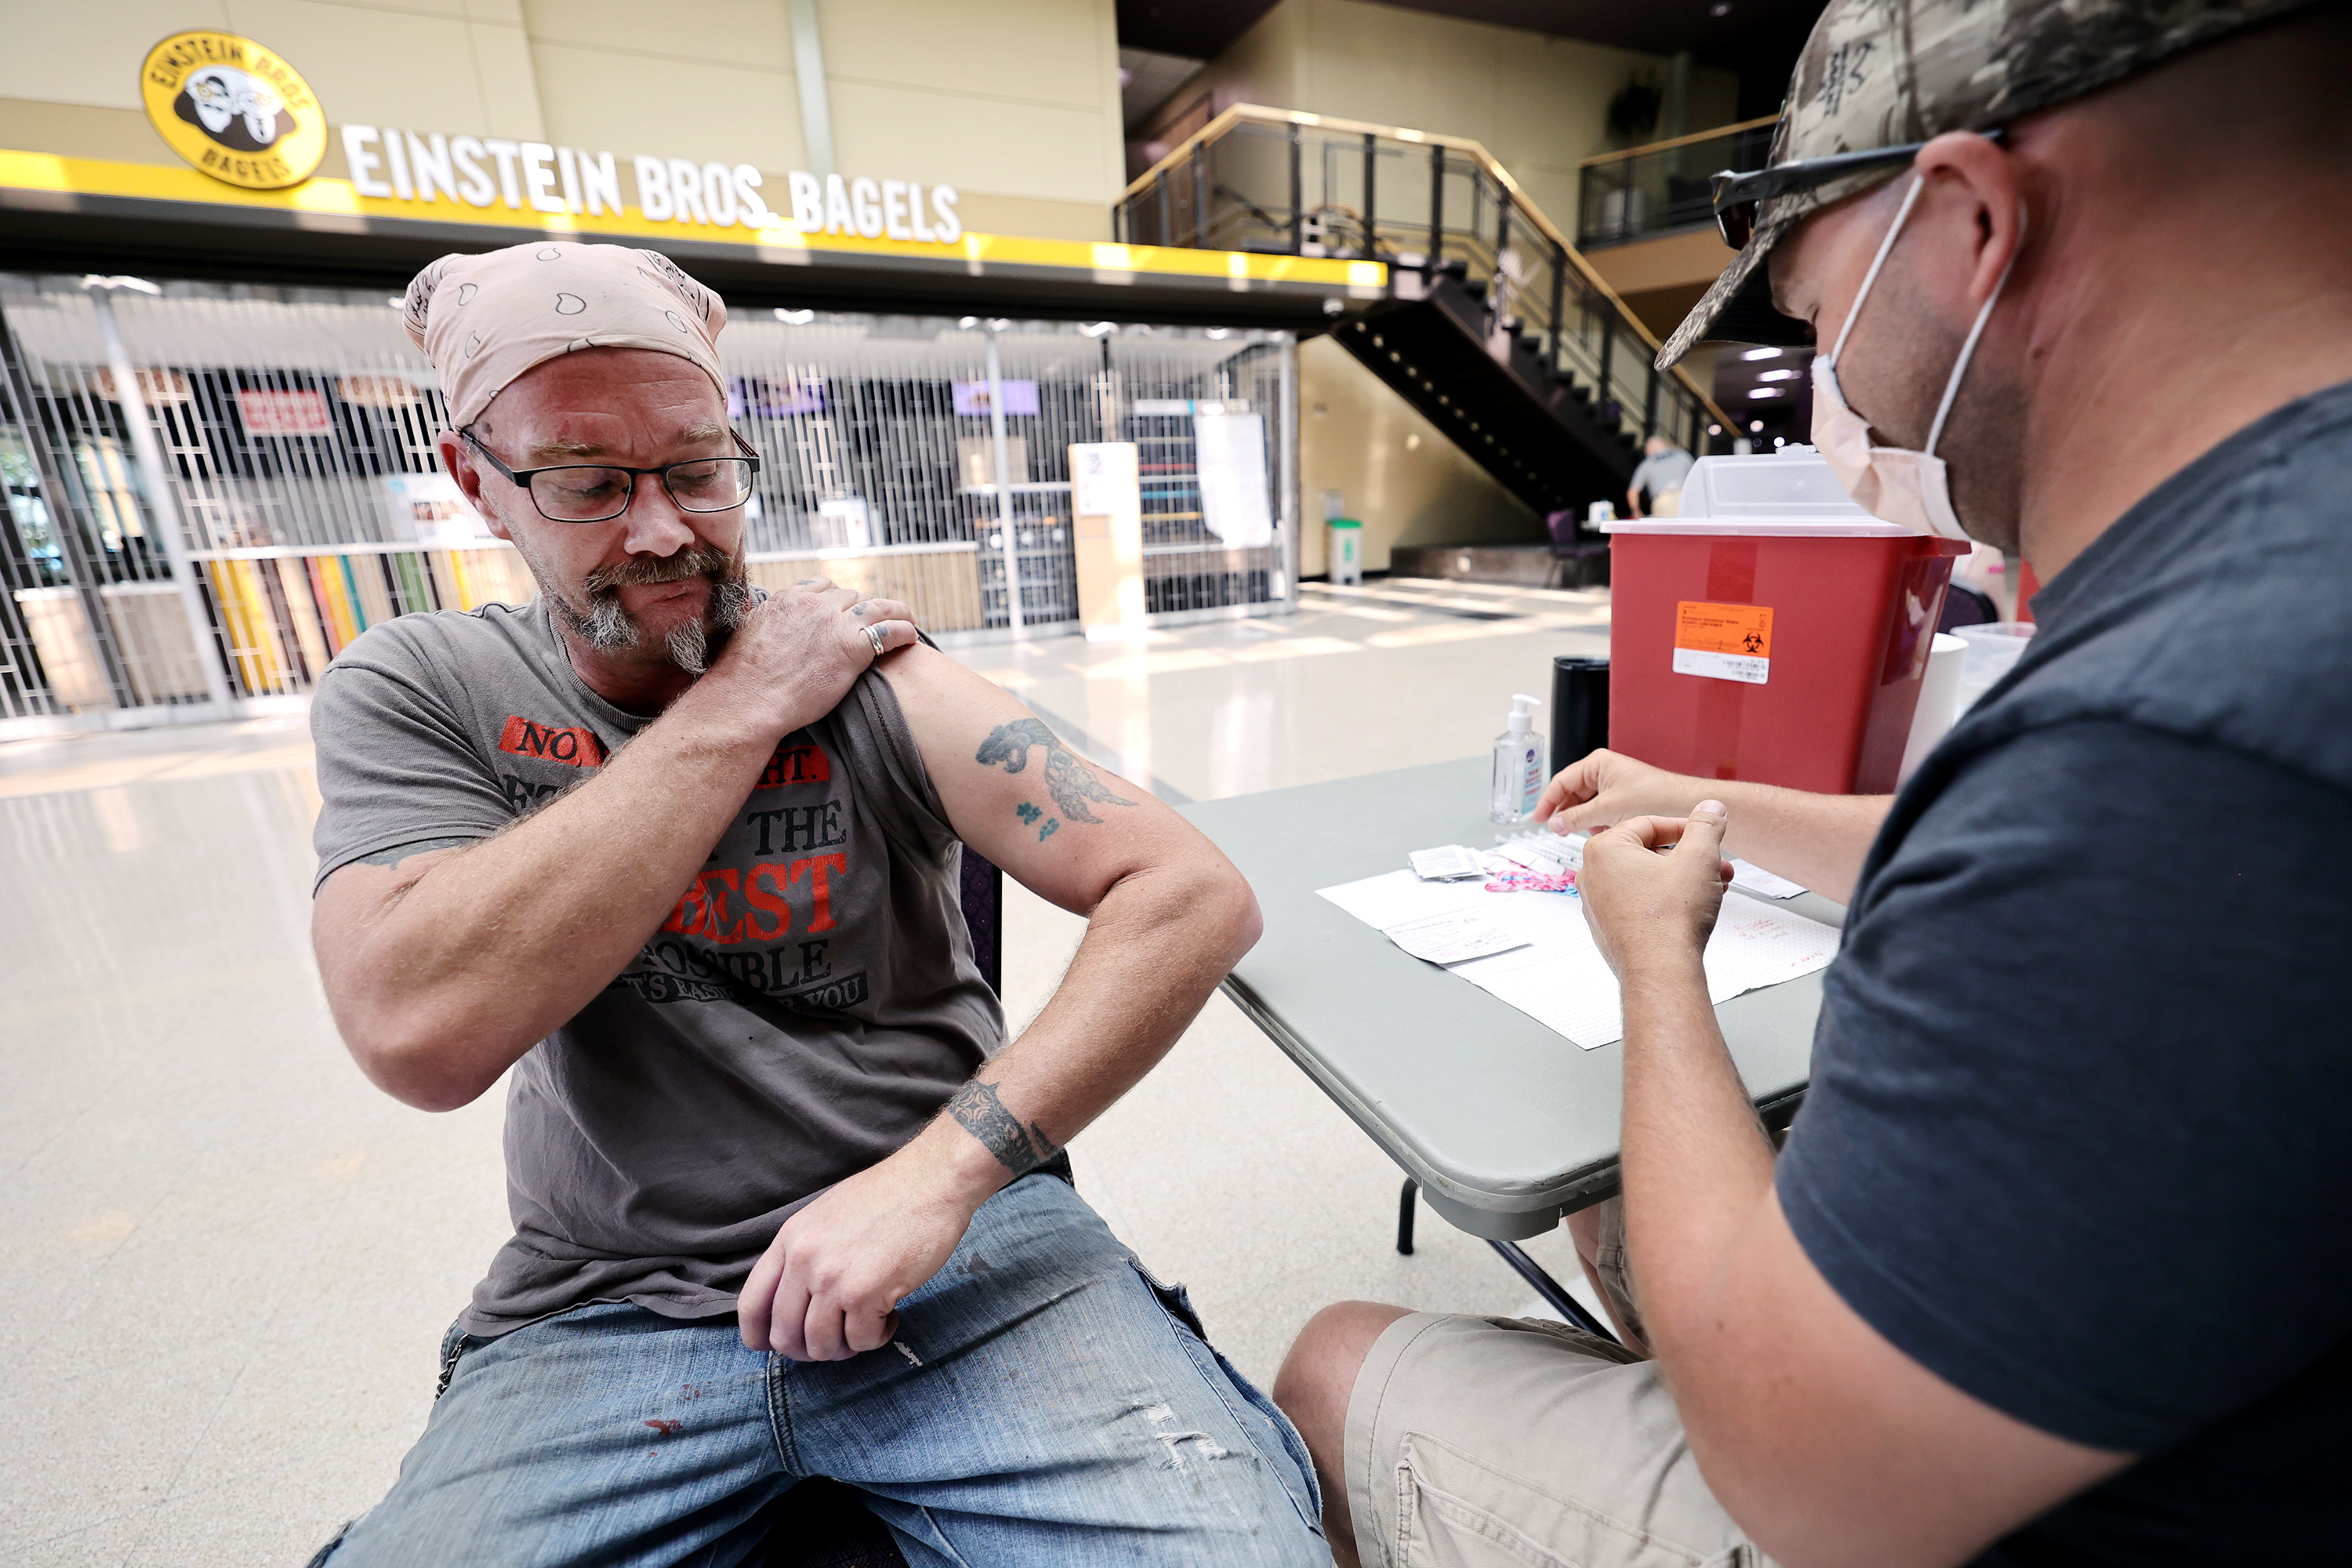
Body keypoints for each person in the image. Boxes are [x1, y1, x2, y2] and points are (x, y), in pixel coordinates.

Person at [1272, 1, 2352, 1564]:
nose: (1828, 370)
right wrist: (1705, 795)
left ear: (1976, 221)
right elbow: (1993, 843)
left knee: (1331, 1365)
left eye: (1823, 301)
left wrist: (1655, 965)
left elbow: (1810, 1474)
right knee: (1621, 1210)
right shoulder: (2250, 578)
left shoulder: (2162, 744)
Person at [305, 242, 1326, 1566]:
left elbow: (1188, 892)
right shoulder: (420, 689)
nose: (664, 527)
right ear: (478, 485)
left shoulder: (870, 675)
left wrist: (942, 1177)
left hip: (967, 1259)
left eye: (695, 468)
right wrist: (738, 706)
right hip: (612, 1307)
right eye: (588, 482)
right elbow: (414, 1032)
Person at [1623, 434, 1693, 517]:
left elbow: (1632, 492)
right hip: (1685, 500)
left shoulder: (1647, 463)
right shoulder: (1683, 455)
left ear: (1648, 449)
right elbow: (1697, 479)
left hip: (1664, 502)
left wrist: (1636, 512)